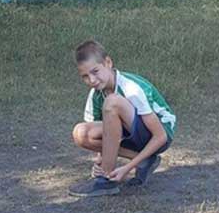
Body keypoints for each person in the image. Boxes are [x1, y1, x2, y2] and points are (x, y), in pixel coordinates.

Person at [69, 40, 176, 197]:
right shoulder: (96, 94)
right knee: (81, 133)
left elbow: (161, 136)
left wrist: (127, 168)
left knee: (113, 102)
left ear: (108, 63)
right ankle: (144, 162)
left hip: (158, 133)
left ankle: (106, 179)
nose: (91, 80)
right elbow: (104, 133)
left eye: (95, 71)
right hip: (130, 132)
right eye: (85, 76)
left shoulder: (131, 88)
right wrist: (100, 160)